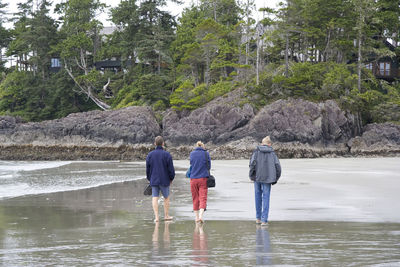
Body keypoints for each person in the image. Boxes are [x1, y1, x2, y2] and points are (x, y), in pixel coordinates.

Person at [249, 136, 281, 226]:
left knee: (257, 197)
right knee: (266, 198)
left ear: (262, 143)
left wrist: (251, 175)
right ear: (270, 144)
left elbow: (252, 164)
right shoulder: (272, 153)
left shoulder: (256, 151)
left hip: (257, 177)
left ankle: (258, 218)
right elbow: (278, 167)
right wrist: (276, 178)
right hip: (268, 178)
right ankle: (264, 220)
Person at [146, 136, 175, 222]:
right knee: (166, 197)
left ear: (155, 144)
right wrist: (171, 178)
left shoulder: (150, 155)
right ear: (163, 143)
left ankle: (157, 217)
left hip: (154, 179)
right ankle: (166, 215)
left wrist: (149, 178)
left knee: (155, 197)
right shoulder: (167, 155)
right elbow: (171, 169)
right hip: (165, 179)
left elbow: (147, 169)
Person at [188, 141, 210, 223]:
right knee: (203, 197)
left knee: (195, 198)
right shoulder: (206, 154)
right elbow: (209, 166)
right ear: (203, 146)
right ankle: (201, 216)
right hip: (203, 178)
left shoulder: (192, 154)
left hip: (193, 178)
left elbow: (191, 164)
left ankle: (196, 217)